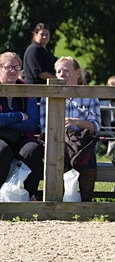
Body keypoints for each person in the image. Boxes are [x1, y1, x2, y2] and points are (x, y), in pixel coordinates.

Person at [0, 51, 45, 199]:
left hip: (19, 137)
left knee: (33, 150)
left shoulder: (26, 89)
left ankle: (31, 195)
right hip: (2, 140)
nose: (13, 70)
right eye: (8, 67)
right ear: (0, 68)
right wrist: (18, 116)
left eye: (17, 67)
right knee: (3, 150)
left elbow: (32, 123)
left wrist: (5, 122)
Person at [55, 57, 100, 201]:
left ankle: (86, 201)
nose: (62, 74)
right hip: (57, 139)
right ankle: (58, 199)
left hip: (82, 140)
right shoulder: (49, 96)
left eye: (66, 71)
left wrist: (78, 122)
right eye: (59, 71)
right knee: (59, 153)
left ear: (77, 73)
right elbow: (44, 127)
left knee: (87, 155)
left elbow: (96, 126)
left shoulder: (89, 95)